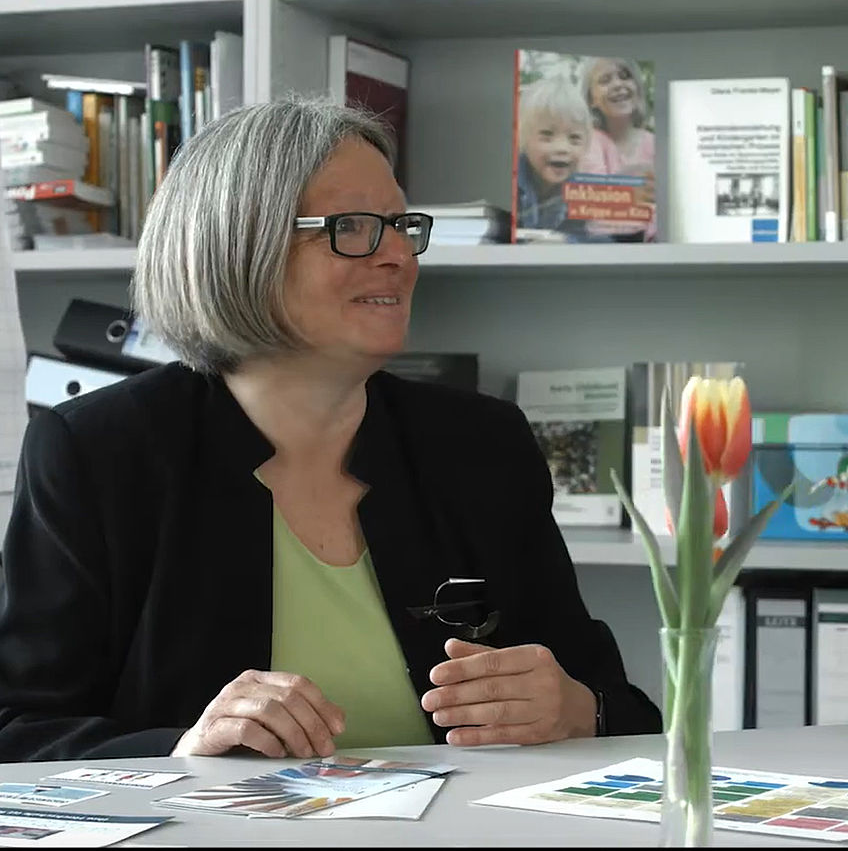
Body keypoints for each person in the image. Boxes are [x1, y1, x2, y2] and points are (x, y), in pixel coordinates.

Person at [0, 98, 662, 762]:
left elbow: (624, 708)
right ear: (240, 241)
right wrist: (182, 750)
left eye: (401, 225)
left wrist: (579, 710)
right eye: (354, 227)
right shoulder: (96, 452)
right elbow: (20, 731)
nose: (399, 255)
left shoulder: (482, 444)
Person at [575, 56, 657, 242]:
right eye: (605, 80)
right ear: (591, 100)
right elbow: (598, 205)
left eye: (625, 76)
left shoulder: (654, 143)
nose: (618, 84)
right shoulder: (590, 141)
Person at [514, 77, 595, 242]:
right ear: (523, 139)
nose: (562, 148)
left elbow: (587, 238)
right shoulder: (511, 182)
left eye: (574, 138)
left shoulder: (581, 193)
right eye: (547, 136)